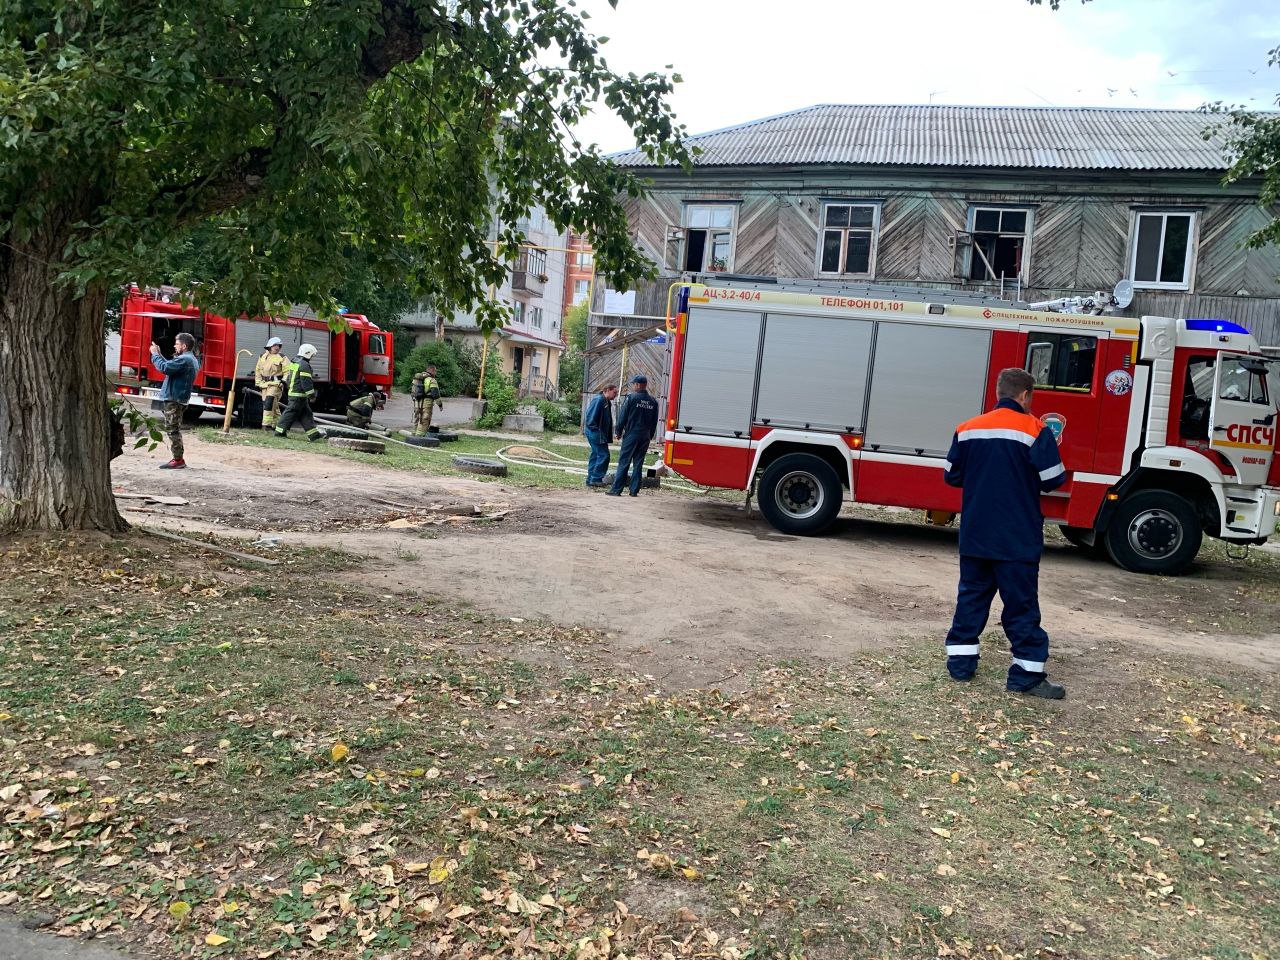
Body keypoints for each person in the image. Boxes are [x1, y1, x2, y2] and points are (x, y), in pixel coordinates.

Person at [942, 367, 1068, 699]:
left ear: (999, 393)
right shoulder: (1035, 430)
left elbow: (952, 477)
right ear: (1025, 395)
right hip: (1016, 538)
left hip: (976, 534)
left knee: (971, 600)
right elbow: (1054, 479)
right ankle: (1025, 677)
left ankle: (960, 666)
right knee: (1021, 607)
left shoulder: (967, 429)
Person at [148, 332, 200, 469]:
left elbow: (165, 368)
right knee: (173, 428)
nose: (174, 346)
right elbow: (170, 365)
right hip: (178, 398)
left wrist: (154, 354)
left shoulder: (185, 359)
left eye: (177, 343)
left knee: (172, 429)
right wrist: (159, 354)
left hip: (174, 399)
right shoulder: (189, 359)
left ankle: (178, 460)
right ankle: (178, 459)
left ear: (184, 345)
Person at [607, 375, 659, 497]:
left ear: (638, 385)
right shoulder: (653, 401)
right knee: (638, 463)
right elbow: (654, 421)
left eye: (633, 384)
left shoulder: (631, 398)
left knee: (624, 461)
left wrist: (618, 432)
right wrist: (649, 436)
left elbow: (623, 417)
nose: (633, 386)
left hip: (632, 434)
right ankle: (634, 490)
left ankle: (616, 490)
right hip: (645, 436)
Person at [274, 343, 323, 442]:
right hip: (298, 396)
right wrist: (311, 396)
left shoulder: (294, 362)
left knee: (306, 414)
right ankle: (279, 431)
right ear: (308, 353)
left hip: (296, 394)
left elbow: (288, 378)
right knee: (290, 413)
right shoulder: (304, 365)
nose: (312, 357)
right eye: (312, 355)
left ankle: (313, 435)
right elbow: (306, 382)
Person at [582, 383, 617, 487]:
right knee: (604, 455)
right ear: (607, 390)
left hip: (599, 432)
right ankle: (596, 479)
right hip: (596, 432)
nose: (615, 395)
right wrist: (597, 431)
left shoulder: (606, 402)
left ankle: (590, 479)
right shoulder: (599, 400)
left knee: (595, 455)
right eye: (614, 392)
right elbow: (590, 418)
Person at [254, 336, 288, 430]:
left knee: (269, 403)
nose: (277, 347)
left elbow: (288, 371)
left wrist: (283, 382)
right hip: (264, 384)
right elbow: (258, 370)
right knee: (273, 405)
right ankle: (279, 425)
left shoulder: (282, 357)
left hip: (276, 384)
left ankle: (266, 425)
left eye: (279, 345)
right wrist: (258, 383)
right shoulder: (262, 357)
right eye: (275, 345)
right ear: (269, 346)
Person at [411, 365, 443, 436]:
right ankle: (420, 437)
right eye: (435, 371)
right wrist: (440, 405)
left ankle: (413, 434)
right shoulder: (432, 380)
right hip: (427, 403)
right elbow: (435, 394)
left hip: (417, 402)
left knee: (416, 418)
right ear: (432, 370)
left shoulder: (418, 378)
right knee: (424, 419)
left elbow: (413, 391)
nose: (436, 373)